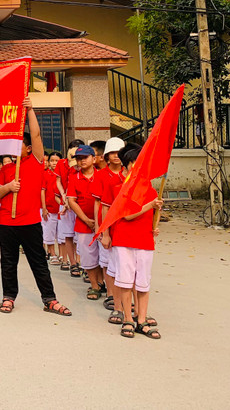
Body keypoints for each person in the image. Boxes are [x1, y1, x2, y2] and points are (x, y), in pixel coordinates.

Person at [0, 98, 71, 316]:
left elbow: (36, 135)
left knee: (38, 262)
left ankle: (49, 299)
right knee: (8, 263)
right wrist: (9, 186)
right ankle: (8, 296)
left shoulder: (36, 161)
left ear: (28, 148)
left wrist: (30, 110)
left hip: (30, 222)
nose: (14, 148)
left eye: (19, 144)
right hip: (8, 223)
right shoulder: (7, 168)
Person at [112, 145, 162, 339]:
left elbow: (153, 216)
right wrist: (150, 204)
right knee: (125, 282)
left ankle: (141, 320)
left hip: (145, 241)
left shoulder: (150, 189)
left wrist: (155, 226)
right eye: (135, 164)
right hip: (124, 240)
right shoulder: (121, 189)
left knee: (143, 283)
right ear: (127, 166)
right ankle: (127, 319)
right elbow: (128, 216)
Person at [67, 145, 104, 301]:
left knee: (104, 256)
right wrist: (87, 220)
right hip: (83, 223)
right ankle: (95, 286)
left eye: (85, 158)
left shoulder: (102, 175)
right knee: (88, 257)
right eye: (79, 158)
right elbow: (72, 201)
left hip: (103, 223)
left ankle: (104, 284)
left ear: (93, 159)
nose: (81, 161)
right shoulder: (74, 178)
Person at [94, 137, 125, 319]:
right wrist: (99, 227)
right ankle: (111, 295)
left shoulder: (128, 174)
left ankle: (124, 296)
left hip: (124, 223)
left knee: (122, 263)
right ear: (106, 156)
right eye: (112, 153)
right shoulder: (101, 175)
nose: (116, 156)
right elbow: (98, 202)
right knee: (107, 262)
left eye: (119, 153)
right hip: (106, 223)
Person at [56, 143, 83, 274]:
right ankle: (73, 263)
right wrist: (64, 196)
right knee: (68, 235)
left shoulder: (85, 165)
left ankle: (80, 261)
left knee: (81, 235)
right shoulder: (62, 164)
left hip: (80, 203)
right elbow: (59, 181)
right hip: (66, 202)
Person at [41, 152, 61, 262]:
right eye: (51, 161)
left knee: (61, 234)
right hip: (49, 209)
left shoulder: (63, 175)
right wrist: (44, 207)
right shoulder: (46, 174)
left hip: (61, 209)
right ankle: (52, 253)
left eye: (56, 161)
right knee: (49, 232)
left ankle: (62, 255)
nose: (54, 163)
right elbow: (42, 191)